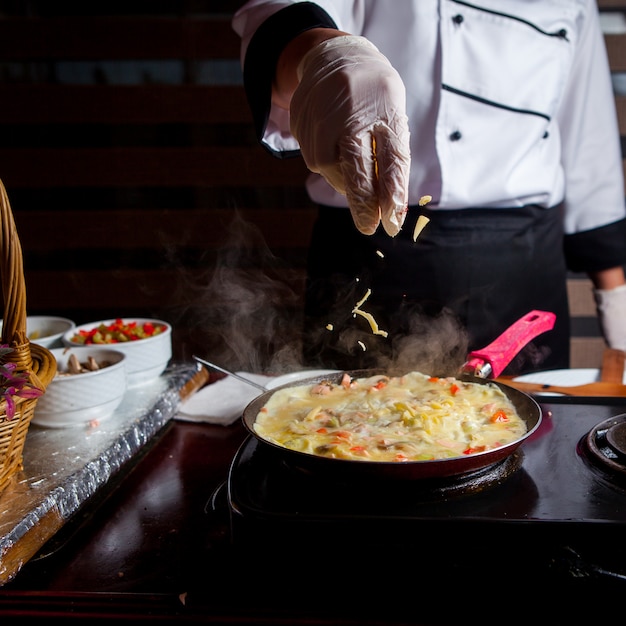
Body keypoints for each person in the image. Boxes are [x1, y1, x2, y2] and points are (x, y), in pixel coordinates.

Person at [231, 0, 626, 375]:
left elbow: (589, 147)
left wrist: (617, 310)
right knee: (342, 431)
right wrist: (324, 55)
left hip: (520, 269)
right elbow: (280, 17)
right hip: (371, 254)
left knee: (531, 437)